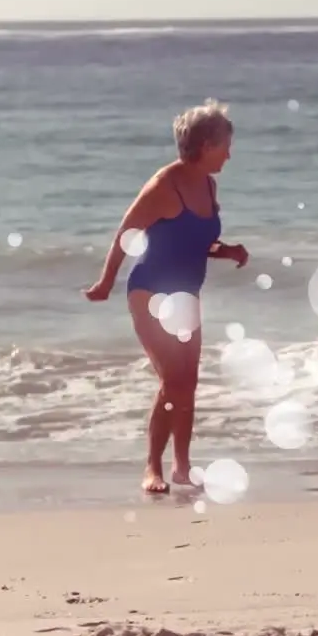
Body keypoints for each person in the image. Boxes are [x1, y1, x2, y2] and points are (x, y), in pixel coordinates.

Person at [83, 99, 250, 494]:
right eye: (226, 144)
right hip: (150, 292)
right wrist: (106, 282)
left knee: (187, 383)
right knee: (173, 380)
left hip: (186, 296)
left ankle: (182, 466)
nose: (230, 152)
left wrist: (227, 250)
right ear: (206, 143)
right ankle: (152, 468)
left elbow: (197, 241)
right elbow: (127, 234)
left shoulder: (208, 185)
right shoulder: (164, 185)